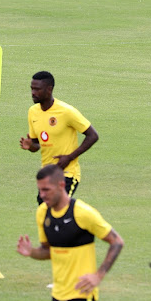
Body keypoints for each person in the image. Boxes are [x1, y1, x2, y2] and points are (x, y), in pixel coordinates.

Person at [17, 164, 124, 301]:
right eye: (40, 190)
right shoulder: (43, 213)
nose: (42, 195)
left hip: (81, 295)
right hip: (58, 295)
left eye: (46, 190)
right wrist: (32, 252)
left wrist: (98, 276)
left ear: (61, 185)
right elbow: (48, 251)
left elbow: (117, 242)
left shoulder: (82, 213)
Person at [19, 71, 99, 204]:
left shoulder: (66, 111)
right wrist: (30, 146)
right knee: (46, 214)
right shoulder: (33, 112)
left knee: (58, 210)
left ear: (49, 89)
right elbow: (37, 145)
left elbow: (93, 135)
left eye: (37, 89)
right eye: (32, 89)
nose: (33, 92)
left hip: (67, 174)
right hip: (47, 174)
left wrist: (69, 157)